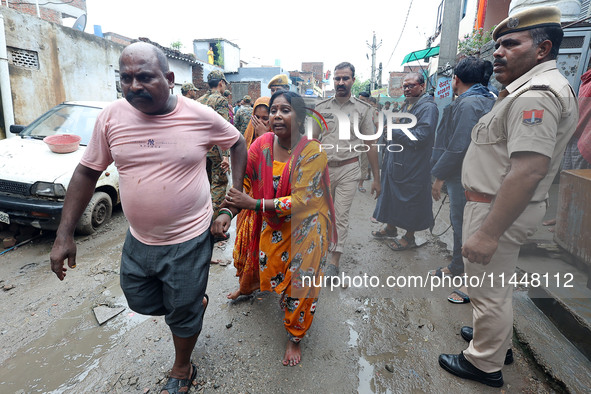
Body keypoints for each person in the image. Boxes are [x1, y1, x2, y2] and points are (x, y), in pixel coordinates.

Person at [49, 42, 247, 394]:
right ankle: (190, 303)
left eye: (144, 77)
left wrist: (231, 201)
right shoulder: (112, 117)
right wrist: (64, 234)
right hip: (139, 238)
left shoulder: (198, 115)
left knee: (181, 313)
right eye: (126, 78)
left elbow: (236, 142)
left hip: (189, 237)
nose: (134, 86)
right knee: (139, 299)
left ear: (169, 79)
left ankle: (182, 367)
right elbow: (86, 172)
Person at [439, 7, 578, 388]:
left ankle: (484, 363)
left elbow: (528, 170)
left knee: (486, 291)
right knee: (495, 287)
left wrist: (487, 233)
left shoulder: (537, 96)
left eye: (511, 43)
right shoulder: (524, 92)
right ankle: (495, 344)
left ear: (542, 48)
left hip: (494, 209)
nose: (498, 52)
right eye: (497, 44)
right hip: (496, 205)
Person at [224, 91, 336, 367]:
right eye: (273, 110)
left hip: (307, 226)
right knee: (273, 269)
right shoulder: (261, 145)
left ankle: (295, 336)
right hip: (274, 223)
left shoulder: (313, 152)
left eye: (285, 110)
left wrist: (254, 203)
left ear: (300, 117)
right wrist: (229, 211)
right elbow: (244, 181)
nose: (276, 115)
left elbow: (300, 200)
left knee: (301, 282)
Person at [429, 57, 495, 285]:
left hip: (464, 174)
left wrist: (439, 177)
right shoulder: (490, 99)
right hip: (483, 173)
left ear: (456, 80)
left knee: (462, 222)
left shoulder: (468, 104)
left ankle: (460, 268)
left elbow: (458, 146)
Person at [314, 62, 381, 276]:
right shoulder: (321, 108)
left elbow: (370, 145)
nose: (340, 82)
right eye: (337, 78)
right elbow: (311, 140)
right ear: (333, 80)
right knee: (321, 213)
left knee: (340, 215)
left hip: (349, 170)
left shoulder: (363, 110)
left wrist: (376, 178)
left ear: (353, 80)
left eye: (345, 78)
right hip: (323, 170)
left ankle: (334, 259)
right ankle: (320, 250)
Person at [372, 72, 438, 250]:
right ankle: (391, 228)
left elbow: (421, 136)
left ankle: (409, 237)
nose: (407, 89)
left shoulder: (427, 108)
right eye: (405, 86)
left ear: (422, 86)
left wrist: (394, 130)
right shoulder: (408, 106)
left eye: (411, 85)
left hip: (414, 166)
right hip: (398, 162)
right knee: (392, 197)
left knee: (411, 201)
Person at [227, 96, 271, 300]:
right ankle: (246, 286)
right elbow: (243, 170)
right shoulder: (247, 139)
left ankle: (268, 283)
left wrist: (266, 137)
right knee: (247, 245)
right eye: (257, 117)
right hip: (249, 203)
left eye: (266, 118)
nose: (261, 122)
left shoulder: (279, 142)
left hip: (270, 204)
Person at [198, 70, 231, 225]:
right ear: (221, 83)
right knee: (218, 187)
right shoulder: (221, 100)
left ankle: (200, 223)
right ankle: (213, 227)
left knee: (203, 187)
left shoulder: (198, 101)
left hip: (200, 151)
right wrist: (226, 156)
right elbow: (223, 129)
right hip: (216, 152)